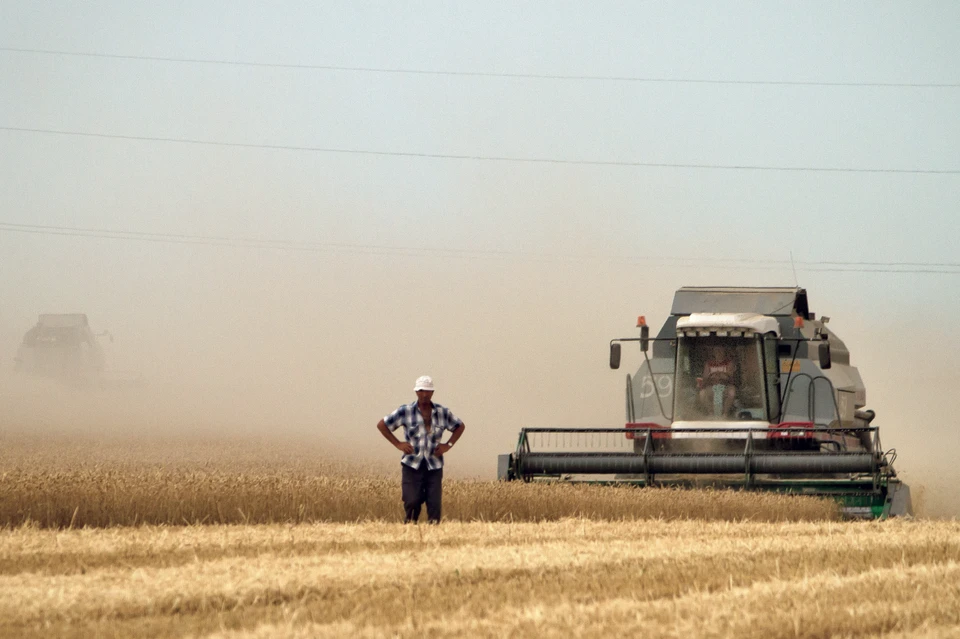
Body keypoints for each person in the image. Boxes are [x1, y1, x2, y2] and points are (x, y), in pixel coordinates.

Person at [377, 375, 465, 524]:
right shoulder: (405, 411)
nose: (424, 394)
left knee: (434, 506)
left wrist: (448, 445)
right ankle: (410, 531)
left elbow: (459, 426)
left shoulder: (442, 412)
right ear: (416, 392)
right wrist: (398, 444)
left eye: (428, 391)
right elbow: (382, 425)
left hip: (434, 465)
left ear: (432, 393)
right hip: (412, 464)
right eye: (421, 391)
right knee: (412, 502)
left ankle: (434, 537)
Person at [698, 346, 738, 417]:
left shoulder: (729, 362)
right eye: (716, 351)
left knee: (732, 393)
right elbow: (705, 376)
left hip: (726, 386)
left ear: (724, 352)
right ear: (714, 353)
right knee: (702, 394)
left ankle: (725, 413)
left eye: (720, 351)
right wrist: (713, 377)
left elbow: (730, 375)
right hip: (712, 386)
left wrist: (720, 376)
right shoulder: (709, 363)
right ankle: (711, 412)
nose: (718, 353)